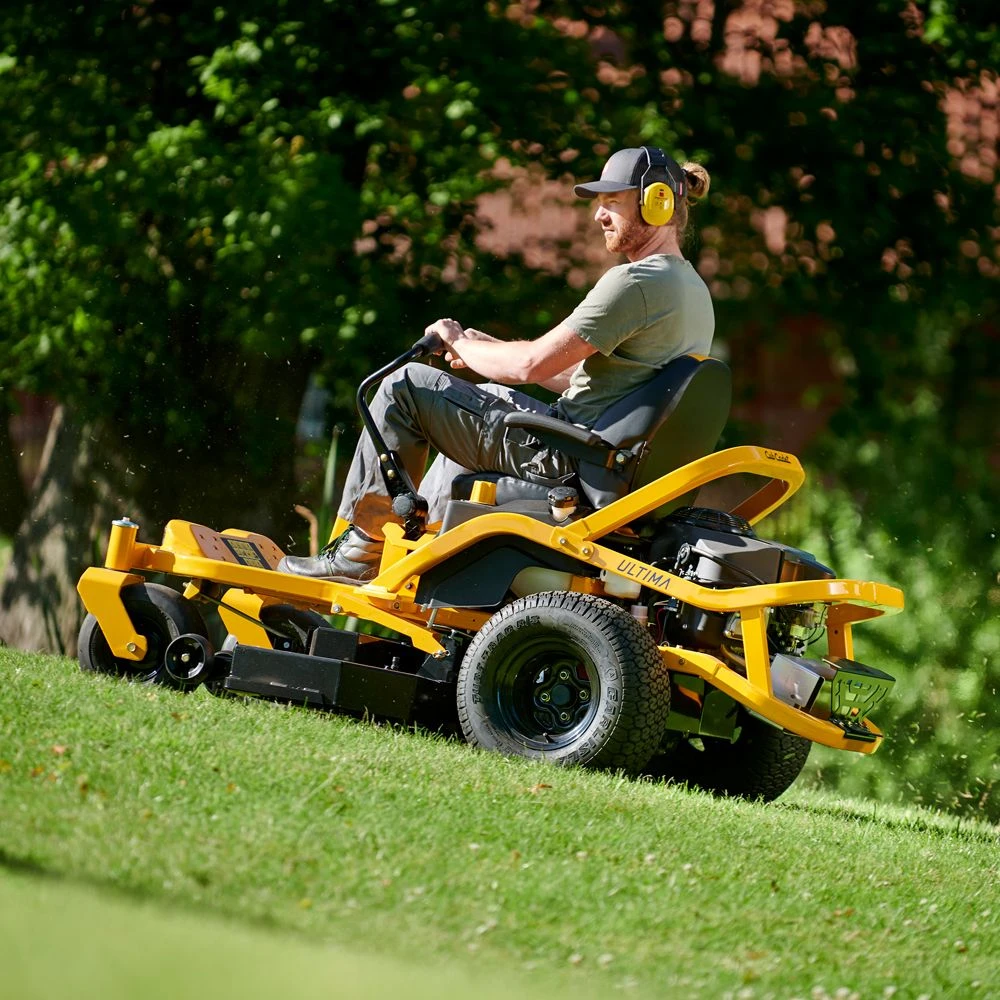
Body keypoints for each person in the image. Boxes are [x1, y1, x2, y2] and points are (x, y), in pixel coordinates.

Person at [278, 146, 715, 582]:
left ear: (656, 202)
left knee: (405, 386)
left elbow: (531, 366)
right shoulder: (692, 290)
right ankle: (414, 553)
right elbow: (601, 382)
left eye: (612, 202)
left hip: (565, 456)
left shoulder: (634, 283)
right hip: (600, 455)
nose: (598, 215)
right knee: (485, 397)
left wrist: (456, 341)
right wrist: (487, 351)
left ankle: (361, 550)